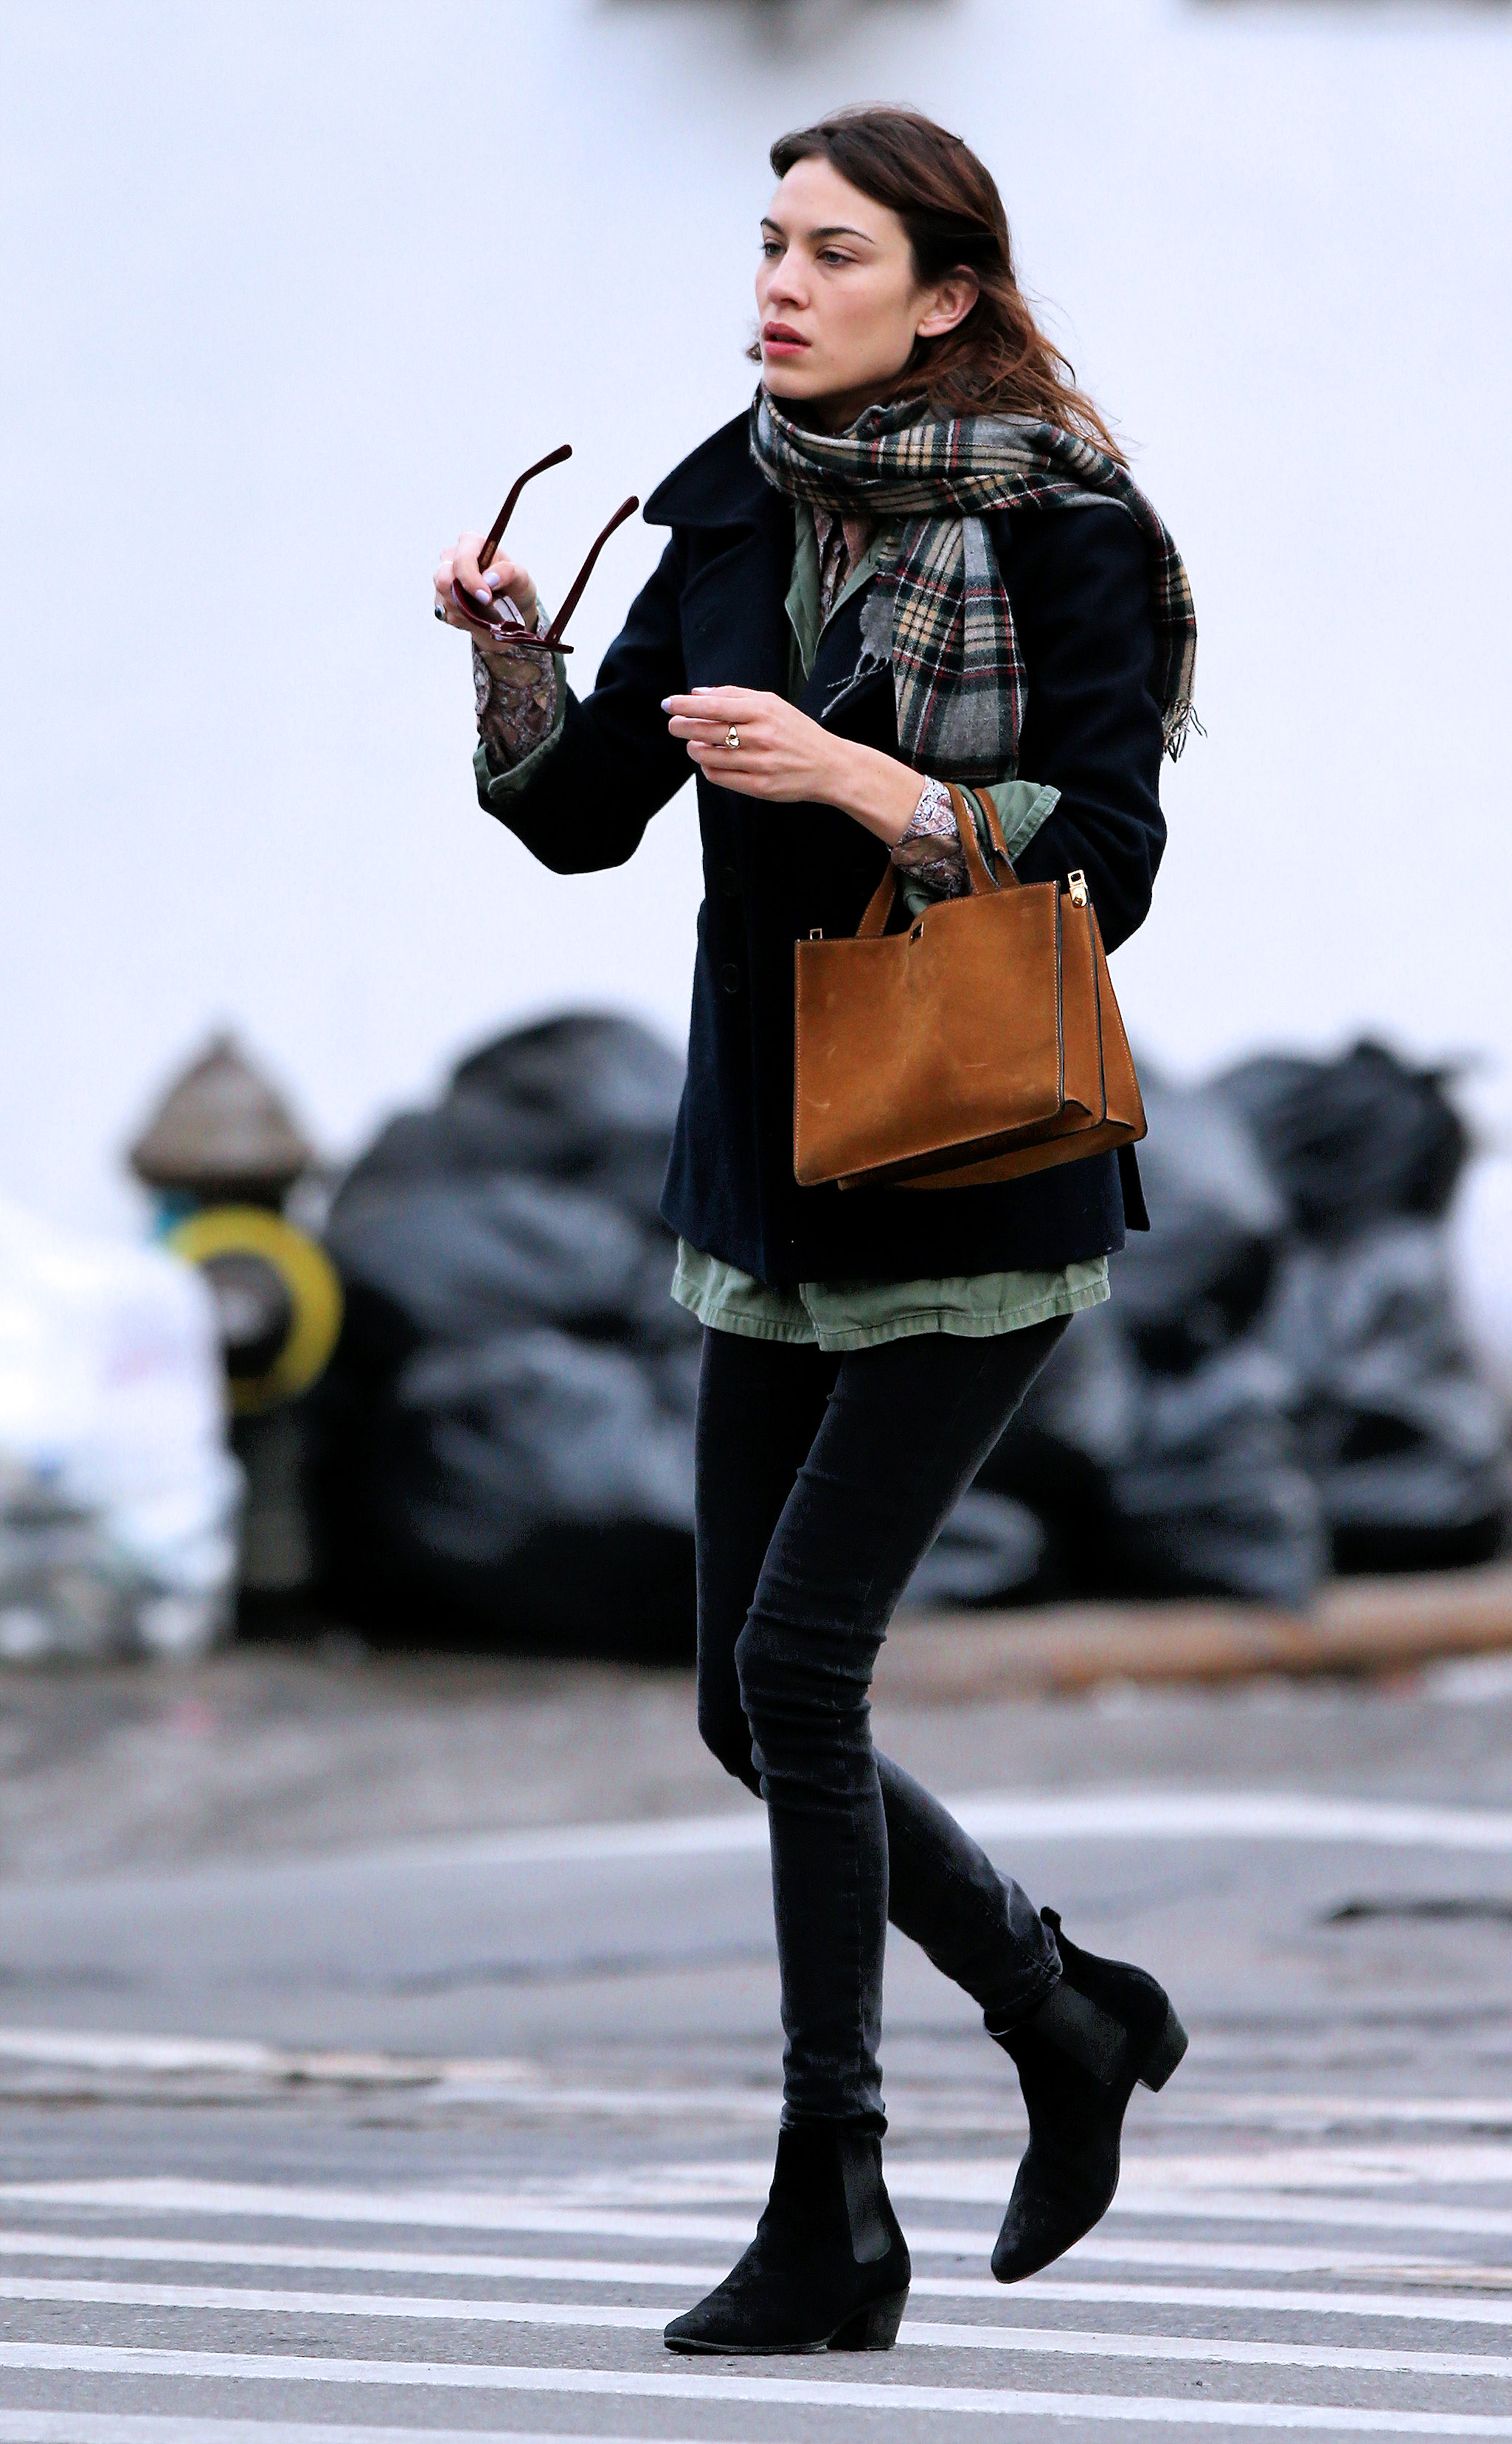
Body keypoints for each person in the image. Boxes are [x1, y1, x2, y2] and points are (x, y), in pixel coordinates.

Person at [435, 104, 1196, 2359]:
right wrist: (502, 660)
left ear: (942, 292)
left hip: (976, 1158)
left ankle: (830, 2197)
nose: (776, 281)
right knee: (732, 1698)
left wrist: (861, 779)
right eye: (765, 242)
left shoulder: (1064, 531)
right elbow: (583, 824)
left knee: (797, 1667)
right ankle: (1065, 2016)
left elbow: (1113, 862)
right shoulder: (731, 495)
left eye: (830, 250)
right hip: (773, 1168)